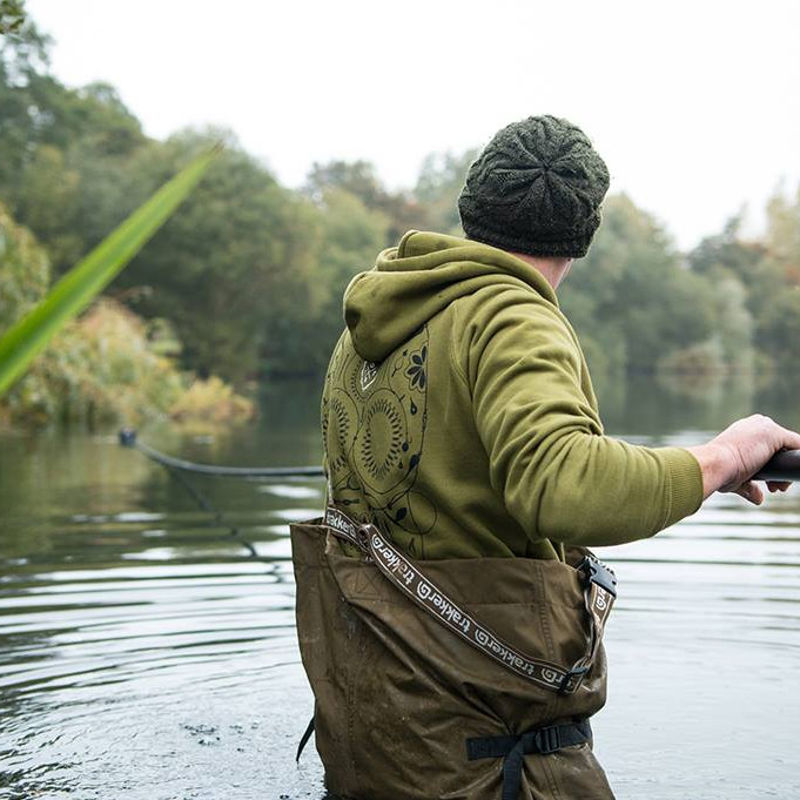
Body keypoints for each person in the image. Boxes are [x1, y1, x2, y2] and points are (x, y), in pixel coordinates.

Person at [290, 115, 800, 800]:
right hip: (482, 760)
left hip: (380, 743)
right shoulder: (510, 316)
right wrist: (723, 458)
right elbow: (562, 486)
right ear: (583, 234)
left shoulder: (371, 324)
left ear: (473, 206)